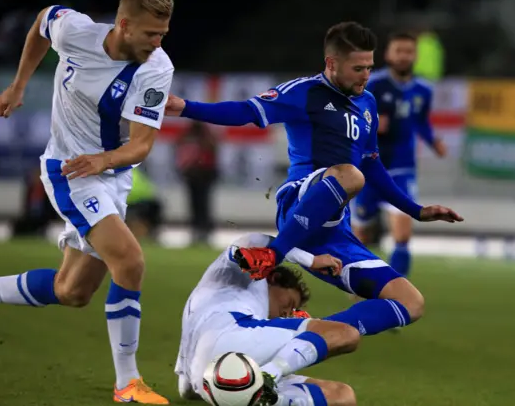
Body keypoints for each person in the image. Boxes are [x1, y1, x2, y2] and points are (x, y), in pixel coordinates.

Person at [164, 22, 463, 336]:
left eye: (370, 67)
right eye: (358, 68)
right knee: (349, 174)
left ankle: (304, 332)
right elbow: (244, 111)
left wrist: (417, 211)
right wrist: (185, 107)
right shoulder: (303, 92)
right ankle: (272, 256)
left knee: (410, 302)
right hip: (299, 202)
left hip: (335, 230)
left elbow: (372, 165)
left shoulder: (368, 103)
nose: (366, 75)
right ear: (331, 63)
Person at [0, 0, 174, 404]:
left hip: (111, 174)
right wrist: (20, 83)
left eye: (163, 34)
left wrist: (105, 160)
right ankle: (127, 383)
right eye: (150, 34)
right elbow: (41, 22)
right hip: (69, 171)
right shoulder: (75, 31)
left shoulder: (156, 68)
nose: (157, 43)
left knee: (72, 292)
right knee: (130, 262)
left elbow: (141, 145)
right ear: (122, 24)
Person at [175, 232, 380, 406]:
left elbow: (187, 389)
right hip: (231, 334)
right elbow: (256, 240)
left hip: (213, 377)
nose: (287, 314)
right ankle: (268, 377)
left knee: (342, 396)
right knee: (345, 333)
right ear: (273, 278)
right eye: (291, 303)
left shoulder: (204, 304)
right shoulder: (246, 275)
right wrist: (311, 260)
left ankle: (265, 396)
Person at [352, 32, 447, 278]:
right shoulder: (373, 84)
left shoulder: (423, 90)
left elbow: (421, 122)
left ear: (415, 56)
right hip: (369, 169)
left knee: (402, 235)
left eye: (408, 52)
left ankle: (397, 291)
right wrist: (371, 125)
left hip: (402, 168)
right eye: (399, 51)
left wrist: (433, 141)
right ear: (388, 54)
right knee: (361, 232)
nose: (404, 56)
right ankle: (359, 284)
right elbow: (353, 119)